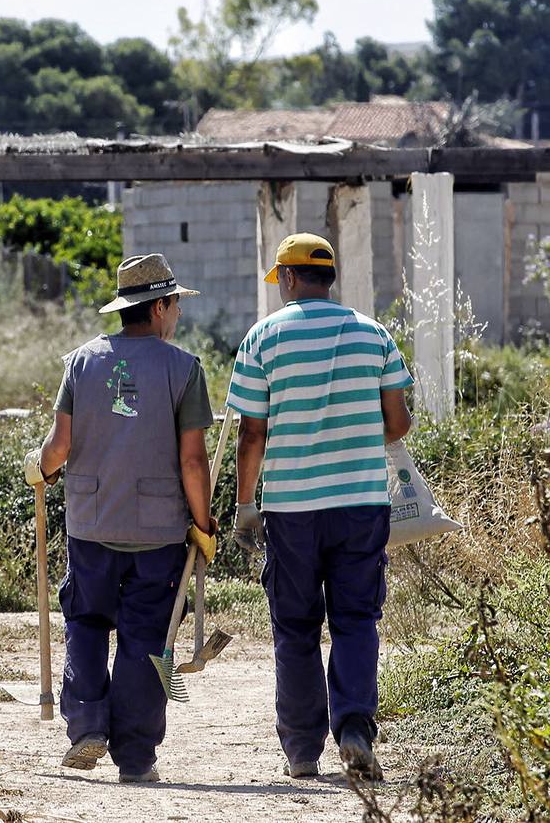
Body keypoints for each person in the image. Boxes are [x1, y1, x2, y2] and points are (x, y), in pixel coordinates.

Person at [228, 233, 412, 782]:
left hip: (291, 508)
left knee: (296, 626)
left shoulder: (263, 338)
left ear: (286, 277)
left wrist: (244, 507)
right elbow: (399, 423)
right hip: (360, 504)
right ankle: (354, 729)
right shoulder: (374, 335)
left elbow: (251, 433)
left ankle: (302, 751)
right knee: (357, 621)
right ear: (328, 277)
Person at [28, 253, 216, 783]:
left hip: (91, 525)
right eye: (175, 304)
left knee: (85, 624)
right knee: (146, 640)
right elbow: (192, 461)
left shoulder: (81, 363)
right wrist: (204, 523)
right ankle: (135, 757)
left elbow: (59, 447)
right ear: (158, 308)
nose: (178, 313)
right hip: (156, 534)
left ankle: (87, 724)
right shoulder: (184, 369)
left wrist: (38, 470)